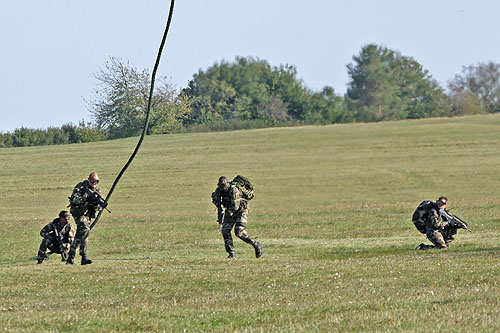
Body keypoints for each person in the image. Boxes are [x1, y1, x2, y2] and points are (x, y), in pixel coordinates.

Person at [211, 176, 262, 259]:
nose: (222, 187)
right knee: (225, 230)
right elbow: (214, 198)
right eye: (220, 185)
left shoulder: (234, 190)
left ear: (227, 183)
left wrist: (226, 215)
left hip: (241, 211)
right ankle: (231, 253)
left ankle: (255, 244)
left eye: (223, 185)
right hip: (230, 211)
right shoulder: (219, 190)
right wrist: (218, 206)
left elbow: (235, 207)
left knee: (239, 232)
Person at [66, 172, 104, 265]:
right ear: (89, 179)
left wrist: (95, 204)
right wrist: (86, 200)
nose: (94, 183)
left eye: (96, 181)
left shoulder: (96, 191)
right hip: (78, 213)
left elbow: (99, 206)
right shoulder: (81, 187)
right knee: (85, 229)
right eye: (92, 180)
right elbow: (74, 199)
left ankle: (71, 256)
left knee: (82, 234)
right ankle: (83, 255)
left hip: (88, 215)